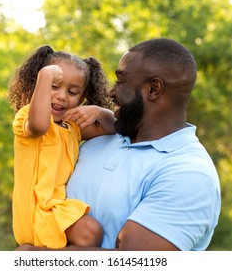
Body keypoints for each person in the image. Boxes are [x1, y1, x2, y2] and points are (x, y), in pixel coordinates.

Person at [16, 38, 221, 251]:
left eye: (121, 82)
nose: (111, 93)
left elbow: (136, 261)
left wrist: (36, 256)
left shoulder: (188, 173)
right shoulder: (97, 140)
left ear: (153, 89)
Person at [6, 45, 116, 249]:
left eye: (72, 92)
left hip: (56, 210)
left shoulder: (72, 127)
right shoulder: (27, 117)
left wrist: (100, 112)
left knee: (92, 234)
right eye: (53, 87)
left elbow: (112, 128)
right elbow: (39, 125)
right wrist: (45, 76)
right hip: (37, 212)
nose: (61, 96)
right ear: (37, 86)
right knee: (90, 232)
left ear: (81, 98)